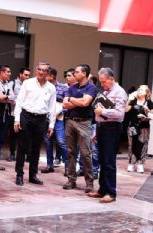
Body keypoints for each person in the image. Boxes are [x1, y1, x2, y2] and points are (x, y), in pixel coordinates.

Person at [13, 61, 56, 186]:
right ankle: (19, 174)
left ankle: (33, 175)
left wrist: (52, 125)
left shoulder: (51, 88)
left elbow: (52, 107)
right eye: (39, 69)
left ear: (48, 73)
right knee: (22, 146)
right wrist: (16, 119)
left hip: (41, 119)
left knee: (36, 148)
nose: (41, 72)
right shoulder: (28, 83)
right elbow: (19, 101)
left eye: (44, 70)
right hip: (26, 116)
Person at [88, 68, 127, 203]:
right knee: (102, 161)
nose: (102, 84)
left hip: (112, 129)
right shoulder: (106, 92)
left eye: (104, 82)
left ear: (111, 79)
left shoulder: (119, 92)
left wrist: (102, 110)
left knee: (109, 161)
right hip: (102, 127)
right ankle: (102, 190)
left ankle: (111, 192)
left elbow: (120, 114)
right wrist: (96, 132)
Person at [62, 64, 98, 193]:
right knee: (70, 152)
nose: (74, 74)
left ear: (84, 73)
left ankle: (89, 183)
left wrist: (72, 99)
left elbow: (85, 103)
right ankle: (71, 180)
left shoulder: (92, 88)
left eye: (76, 72)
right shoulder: (72, 87)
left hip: (84, 123)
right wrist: (77, 101)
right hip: (70, 122)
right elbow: (65, 105)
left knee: (85, 153)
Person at [41, 67, 68, 174]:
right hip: (45, 118)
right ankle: (49, 165)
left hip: (58, 119)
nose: (44, 77)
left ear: (52, 76)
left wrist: (60, 110)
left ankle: (68, 167)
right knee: (47, 142)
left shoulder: (63, 87)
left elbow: (66, 104)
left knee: (61, 141)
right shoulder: (43, 87)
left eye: (46, 74)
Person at [125, 85, 153, 173]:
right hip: (132, 126)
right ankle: (131, 163)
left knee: (142, 145)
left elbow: (152, 115)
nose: (139, 91)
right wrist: (129, 99)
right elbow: (126, 110)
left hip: (144, 127)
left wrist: (146, 113)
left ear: (146, 92)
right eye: (139, 89)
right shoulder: (133, 101)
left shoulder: (149, 102)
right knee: (131, 145)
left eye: (142, 90)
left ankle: (140, 163)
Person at [8, 67, 31, 161]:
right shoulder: (12, 84)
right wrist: (20, 101)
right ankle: (12, 153)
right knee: (14, 135)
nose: (27, 77)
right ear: (20, 74)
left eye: (29, 75)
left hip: (26, 114)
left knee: (26, 135)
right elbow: (11, 98)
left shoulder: (29, 85)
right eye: (26, 75)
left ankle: (26, 154)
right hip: (14, 113)